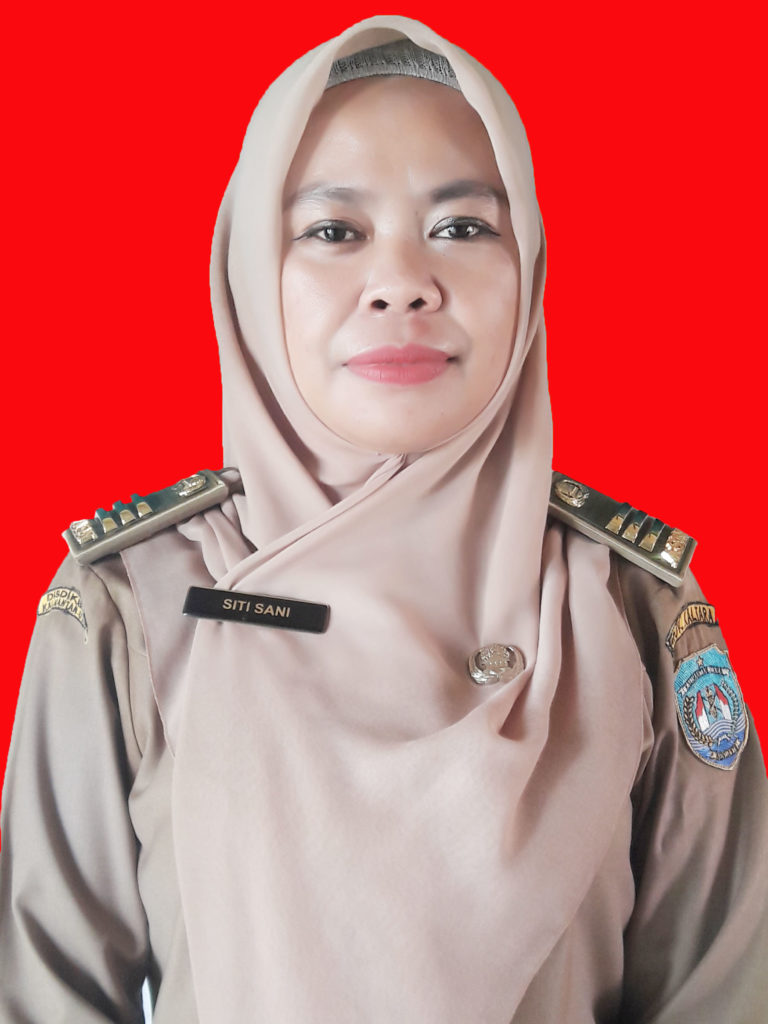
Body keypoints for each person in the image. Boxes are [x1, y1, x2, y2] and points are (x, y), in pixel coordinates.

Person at [1, 15, 766, 1023]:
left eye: (463, 227)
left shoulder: (631, 606)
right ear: (248, 272)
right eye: (332, 231)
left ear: (530, 267)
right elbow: (45, 995)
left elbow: (723, 991)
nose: (403, 282)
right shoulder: (132, 605)